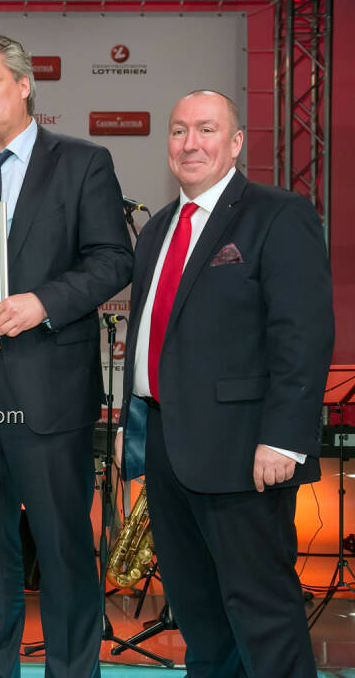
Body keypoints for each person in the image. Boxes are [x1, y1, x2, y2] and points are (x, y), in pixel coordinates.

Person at [0, 33, 133, 678]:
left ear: (24, 84)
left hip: (47, 387)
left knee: (64, 550)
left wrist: (43, 301)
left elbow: (113, 259)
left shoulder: (83, 162)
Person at [117, 89, 333, 678]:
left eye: (207, 130)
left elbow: (303, 334)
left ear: (236, 143)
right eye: (179, 130)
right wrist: (130, 428)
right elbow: (152, 337)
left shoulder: (279, 213)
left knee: (262, 612)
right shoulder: (160, 227)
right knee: (198, 616)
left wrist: (285, 438)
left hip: (245, 451)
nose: (191, 143)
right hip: (167, 449)